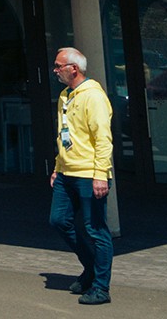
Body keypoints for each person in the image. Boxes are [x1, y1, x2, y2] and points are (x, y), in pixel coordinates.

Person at [50, 46, 113, 306]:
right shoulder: (65, 96)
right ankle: (91, 269)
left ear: (73, 68)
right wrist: (57, 166)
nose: (55, 71)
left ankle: (101, 286)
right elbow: (64, 134)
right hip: (66, 172)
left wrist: (100, 174)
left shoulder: (94, 96)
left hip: (89, 173)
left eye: (58, 66)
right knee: (58, 220)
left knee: (95, 229)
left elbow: (103, 139)